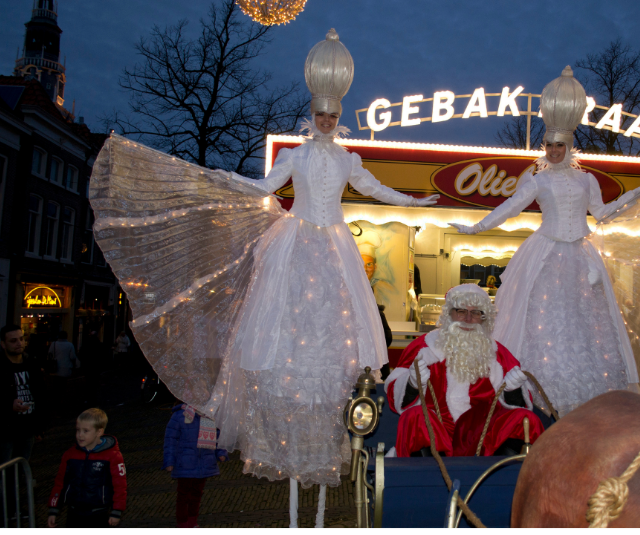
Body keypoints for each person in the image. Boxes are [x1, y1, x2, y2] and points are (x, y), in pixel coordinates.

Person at [88, 28, 437, 528]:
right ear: (312, 114)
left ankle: (324, 448)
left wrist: (414, 201)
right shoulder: (295, 154)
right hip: (297, 242)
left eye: (333, 116)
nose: (326, 121)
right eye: (321, 115)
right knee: (282, 324)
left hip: (334, 245)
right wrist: (226, 180)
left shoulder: (348, 159)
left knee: (333, 325)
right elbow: (265, 186)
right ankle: (287, 455)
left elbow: (376, 188)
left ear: (339, 116)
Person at [450, 66, 640, 416]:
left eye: (559, 145)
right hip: (545, 253)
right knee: (540, 318)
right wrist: (477, 227)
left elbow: (602, 214)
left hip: (581, 255)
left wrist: (634, 195)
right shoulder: (537, 181)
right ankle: (533, 391)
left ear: (569, 146)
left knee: (587, 323)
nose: (554, 151)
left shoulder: (586, 180)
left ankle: (586, 398)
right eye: (549, 145)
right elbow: (510, 207)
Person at [385, 284, 545, 457]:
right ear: (449, 314)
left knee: (525, 419)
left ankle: (500, 472)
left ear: (483, 318)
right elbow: (394, 395)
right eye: (461, 311)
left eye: (476, 313)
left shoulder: (498, 354)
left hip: (481, 438)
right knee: (414, 417)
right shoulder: (423, 348)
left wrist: (512, 391)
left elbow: (520, 406)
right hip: (435, 433)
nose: (468, 319)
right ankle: (431, 471)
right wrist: (412, 384)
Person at [47, 408, 127, 528]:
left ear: (99, 432)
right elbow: (60, 482)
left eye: (86, 431)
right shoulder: (70, 455)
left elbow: (120, 485)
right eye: (78, 430)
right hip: (74, 512)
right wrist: (53, 509)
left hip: (99, 513)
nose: (80, 435)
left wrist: (116, 511)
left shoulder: (112, 456)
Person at [163, 403, 228, 528]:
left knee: (197, 494)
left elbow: (218, 435)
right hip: (185, 463)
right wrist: (169, 461)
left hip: (204, 463)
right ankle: (183, 523)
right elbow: (170, 439)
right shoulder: (180, 416)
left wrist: (221, 452)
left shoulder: (210, 415)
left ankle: (192, 521)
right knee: (184, 495)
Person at [0, 324, 45, 465]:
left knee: (21, 466)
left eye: (21, 339)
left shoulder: (31, 363)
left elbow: (40, 394)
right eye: (13, 341)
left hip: (27, 427)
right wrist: (8, 405)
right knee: (3, 468)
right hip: (5, 429)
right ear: (3, 344)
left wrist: (39, 426)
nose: (19, 343)